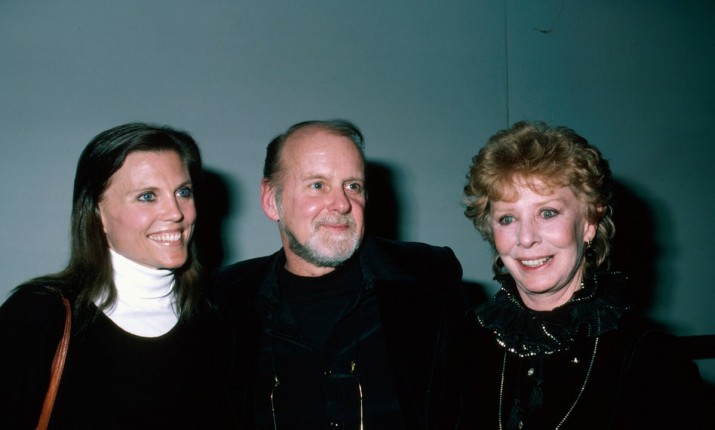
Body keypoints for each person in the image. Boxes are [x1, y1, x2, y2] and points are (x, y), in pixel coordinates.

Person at [441, 121, 708, 429]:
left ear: (589, 223)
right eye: (508, 218)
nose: (526, 238)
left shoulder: (650, 359)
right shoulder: (464, 343)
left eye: (548, 213)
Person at [211, 119, 467, 429]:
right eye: (318, 185)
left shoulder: (428, 278)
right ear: (271, 200)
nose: (342, 204)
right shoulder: (226, 298)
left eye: (353, 186)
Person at [0, 123, 232, 428]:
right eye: (147, 196)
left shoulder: (214, 322)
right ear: (98, 214)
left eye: (183, 192)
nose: (176, 212)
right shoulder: (39, 315)